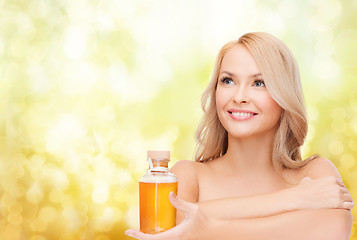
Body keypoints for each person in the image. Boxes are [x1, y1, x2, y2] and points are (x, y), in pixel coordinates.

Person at [125, 32, 354, 239]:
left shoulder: (316, 174)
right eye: (228, 81)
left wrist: (205, 227)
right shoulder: (187, 176)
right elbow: (170, 227)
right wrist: (294, 200)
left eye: (259, 83)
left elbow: (331, 231)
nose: (239, 96)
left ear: (285, 96)